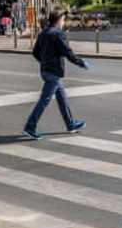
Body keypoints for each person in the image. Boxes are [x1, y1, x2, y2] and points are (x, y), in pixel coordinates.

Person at [23, 9, 90, 140]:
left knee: (62, 97)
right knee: (44, 100)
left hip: (46, 70)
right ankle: (30, 127)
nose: (64, 22)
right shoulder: (58, 34)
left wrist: (44, 62)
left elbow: (35, 52)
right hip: (53, 72)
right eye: (63, 20)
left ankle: (71, 124)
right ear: (59, 20)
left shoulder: (43, 33)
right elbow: (67, 52)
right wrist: (81, 63)